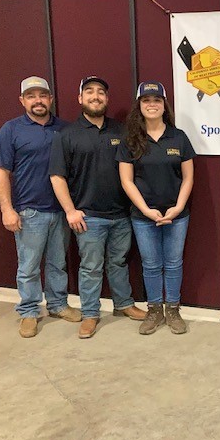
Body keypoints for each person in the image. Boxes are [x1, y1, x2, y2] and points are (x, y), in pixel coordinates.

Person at [49, 76, 146, 339]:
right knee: (91, 267)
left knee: (118, 262)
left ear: (107, 99)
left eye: (101, 92)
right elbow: (57, 177)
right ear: (80, 98)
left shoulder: (122, 131)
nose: (95, 96)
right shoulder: (66, 135)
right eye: (89, 92)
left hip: (122, 215)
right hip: (88, 217)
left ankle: (124, 304)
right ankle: (91, 314)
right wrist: (70, 210)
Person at [0, 76, 80, 338]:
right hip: (29, 212)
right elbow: (0, 171)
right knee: (29, 266)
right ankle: (29, 311)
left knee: (57, 263)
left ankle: (57, 305)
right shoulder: (11, 130)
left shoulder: (64, 129)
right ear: (22, 100)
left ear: (51, 99)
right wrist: (6, 209)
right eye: (31, 96)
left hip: (61, 211)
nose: (38, 100)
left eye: (42, 95)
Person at [117, 81, 195, 335]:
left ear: (164, 105)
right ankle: (154, 311)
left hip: (177, 215)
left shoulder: (179, 137)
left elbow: (188, 178)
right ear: (139, 106)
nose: (152, 105)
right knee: (151, 265)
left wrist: (178, 207)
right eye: (146, 100)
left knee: (173, 263)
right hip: (143, 216)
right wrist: (146, 210)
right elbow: (126, 181)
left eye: (157, 100)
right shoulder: (130, 140)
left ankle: (172, 309)